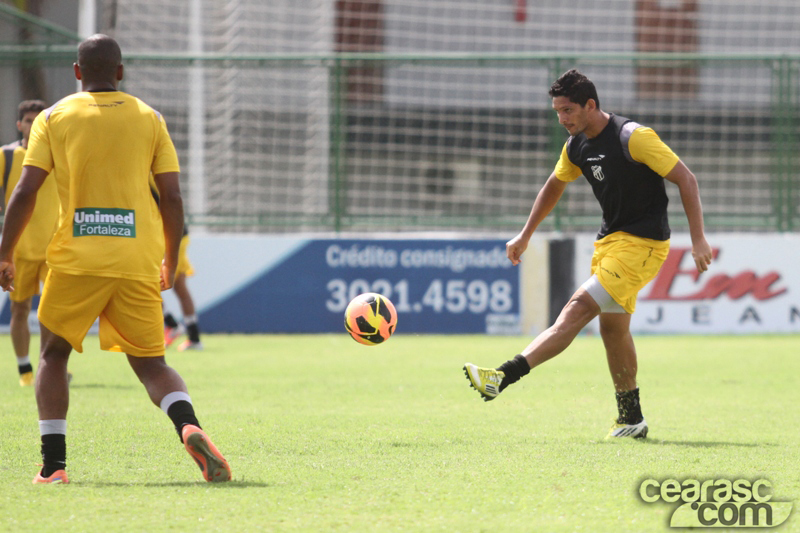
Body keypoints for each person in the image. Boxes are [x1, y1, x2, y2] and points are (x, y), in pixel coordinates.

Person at [0, 34, 231, 483]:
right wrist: (169, 258)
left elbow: (26, 190)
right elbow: (172, 197)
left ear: (77, 72)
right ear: (121, 72)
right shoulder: (149, 118)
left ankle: (53, 466)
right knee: (152, 364)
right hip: (135, 258)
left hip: (76, 258)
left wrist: (4, 252)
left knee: (53, 355)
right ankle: (188, 425)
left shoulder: (54, 116)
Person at [464, 69, 713, 439]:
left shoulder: (634, 138)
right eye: (557, 112)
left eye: (567, 110)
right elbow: (554, 185)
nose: (562, 119)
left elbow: (686, 179)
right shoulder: (575, 146)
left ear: (590, 105)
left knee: (577, 308)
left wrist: (698, 240)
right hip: (610, 244)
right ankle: (631, 419)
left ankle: (502, 376)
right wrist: (525, 234)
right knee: (612, 330)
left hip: (643, 246)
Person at [1, 100, 59, 387]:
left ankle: (47, 367)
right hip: (20, 249)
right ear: (19, 124)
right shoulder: (7, 156)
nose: (33, 123)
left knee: (52, 313)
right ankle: (25, 370)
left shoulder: (59, 155)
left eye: (38, 119)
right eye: (28, 119)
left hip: (55, 249)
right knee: (20, 309)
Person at [163, 229, 203, 351]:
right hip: (172, 235)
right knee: (180, 287)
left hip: (170, 236)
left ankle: (172, 325)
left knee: (147, 285)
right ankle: (193, 337)